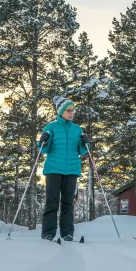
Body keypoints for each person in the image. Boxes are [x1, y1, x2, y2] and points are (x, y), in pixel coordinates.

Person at [37, 96, 90, 241]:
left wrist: (86, 144)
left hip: (72, 170)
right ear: (61, 112)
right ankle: (48, 233)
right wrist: (44, 140)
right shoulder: (51, 127)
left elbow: (82, 151)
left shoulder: (77, 129)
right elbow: (43, 150)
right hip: (53, 169)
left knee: (68, 203)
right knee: (52, 202)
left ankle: (67, 233)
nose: (72, 113)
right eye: (69, 110)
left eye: (73, 110)